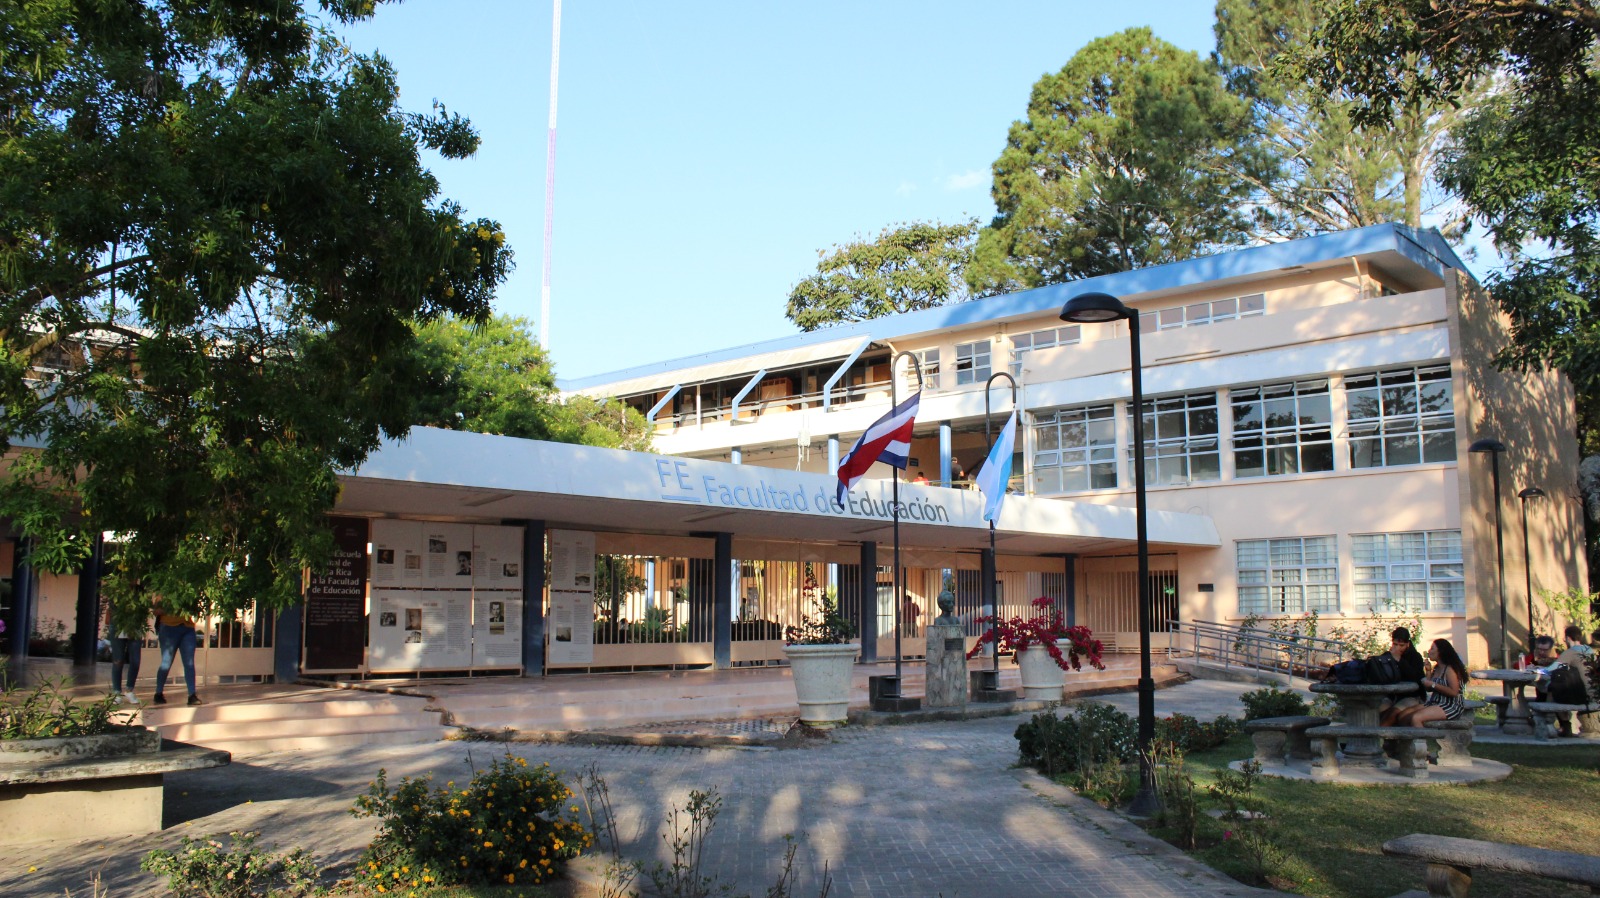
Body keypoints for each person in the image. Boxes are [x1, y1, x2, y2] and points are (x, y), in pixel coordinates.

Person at [1394, 638, 1468, 729]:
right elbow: (1429, 688)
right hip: (1435, 702)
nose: (1429, 651)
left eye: (1432, 648)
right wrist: (1428, 671)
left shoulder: (1450, 669)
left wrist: (1433, 685)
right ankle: (1405, 742)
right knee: (1403, 716)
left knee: (1416, 717)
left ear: (1440, 652)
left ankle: (1421, 742)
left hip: (1450, 705)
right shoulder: (1437, 668)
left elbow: (1454, 692)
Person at [153, 601, 202, 706]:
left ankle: (192, 694)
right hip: (168, 627)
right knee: (166, 662)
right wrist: (172, 606)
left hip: (187, 627)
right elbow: (156, 611)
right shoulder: (163, 591)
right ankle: (158, 693)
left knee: (189, 663)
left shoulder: (188, 590)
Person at [1377, 627, 1428, 725]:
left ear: (1407, 644)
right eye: (1395, 644)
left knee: (1393, 712)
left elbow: (1416, 677)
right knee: (1376, 710)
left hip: (1411, 696)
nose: (1398, 648)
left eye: (1401, 645)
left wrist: (1399, 660)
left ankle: (1378, 736)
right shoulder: (1388, 655)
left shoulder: (1415, 657)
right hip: (1392, 695)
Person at [107, 604, 147, 705]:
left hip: (135, 626)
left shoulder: (140, 591)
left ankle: (129, 690)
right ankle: (116, 692)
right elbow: (110, 612)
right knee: (118, 660)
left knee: (135, 661)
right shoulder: (118, 590)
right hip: (118, 625)